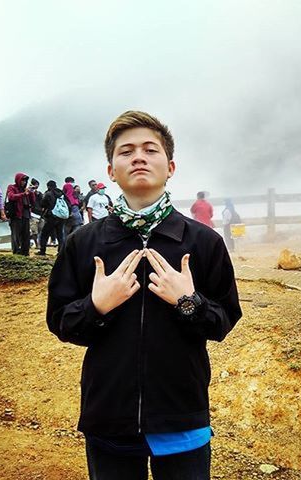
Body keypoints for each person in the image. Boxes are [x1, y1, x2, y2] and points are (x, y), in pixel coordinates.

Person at [46, 110, 241, 480]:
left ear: (170, 167)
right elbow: (60, 321)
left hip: (182, 413)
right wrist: (96, 306)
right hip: (109, 414)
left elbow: (224, 321)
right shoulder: (84, 243)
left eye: (150, 150)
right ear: (110, 171)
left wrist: (189, 302)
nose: (138, 157)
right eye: (126, 151)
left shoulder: (203, 242)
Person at [6, 173, 36, 256]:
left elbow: (33, 202)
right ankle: (16, 251)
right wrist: (23, 194)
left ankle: (25, 252)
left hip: (26, 214)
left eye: (25, 180)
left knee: (26, 234)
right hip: (16, 214)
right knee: (16, 234)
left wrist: (32, 192)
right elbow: (11, 197)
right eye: (22, 180)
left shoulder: (26, 189)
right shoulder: (12, 187)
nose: (24, 182)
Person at [38, 180, 69, 255]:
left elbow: (42, 204)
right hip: (61, 217)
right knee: (60, 235)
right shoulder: (62, 193)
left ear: (48, 186)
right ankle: (61, 251)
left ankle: (42, 251)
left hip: (51, 217)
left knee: (44, 234)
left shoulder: (48, 194)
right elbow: (68, 203)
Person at [30, 178, 43, 249]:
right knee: (34, 231)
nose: (36, 186)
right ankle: (37, 244)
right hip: (32, 214)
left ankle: (39, 243)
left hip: (40, 214)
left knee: (40, 229)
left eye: (37, 184)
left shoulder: (39, 193)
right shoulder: (28, 192)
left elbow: (43, 201)